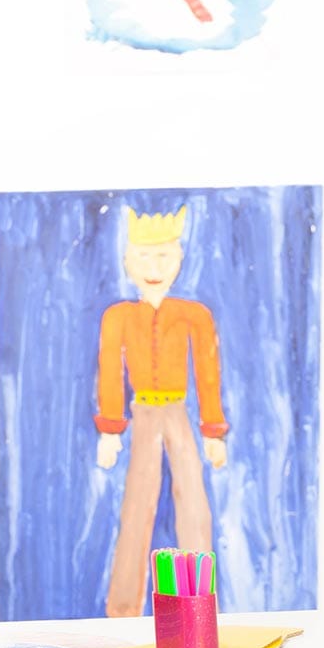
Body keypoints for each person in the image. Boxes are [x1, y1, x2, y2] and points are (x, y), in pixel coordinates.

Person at [95, 206, 228, 617]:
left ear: (180, 260)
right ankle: (122, 611)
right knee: (136, 507)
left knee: (194, 505)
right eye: (144, 257)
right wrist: (111, 430)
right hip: (141, 416)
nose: (154, 267)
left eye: (164, 257)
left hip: (179, 414)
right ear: (127, 261)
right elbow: (110, 373)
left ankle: (199, 608)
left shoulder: (194, 315)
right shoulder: (118, 317)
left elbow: (207, 371)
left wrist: (212, 432)